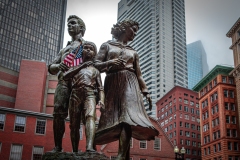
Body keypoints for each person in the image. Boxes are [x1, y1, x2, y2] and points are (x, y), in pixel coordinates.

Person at [94, 19, 159, 160]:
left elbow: (139, 74)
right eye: (133, 30)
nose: (135, 33)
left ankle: (122, 155)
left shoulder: (133, 52)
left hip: (130, 83)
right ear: (124, 28)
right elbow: (95, 64)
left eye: (136, 31)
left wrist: (145, 91)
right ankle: (124, 155)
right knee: (116, 118)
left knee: (128, 117)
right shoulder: (107, 45)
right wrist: (110, 62)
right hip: (112, 82)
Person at [48, 15, 86, 152]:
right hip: (63, 82)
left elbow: (92, 66)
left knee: (76, 116)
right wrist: (59, 67)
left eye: (73, 23)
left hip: (78, 83)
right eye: (68, 24)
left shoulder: (86, 45)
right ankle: (57, 147)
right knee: (58, 113)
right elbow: (50, 67)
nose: (69, 26)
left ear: (81, 28)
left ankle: (76, 150)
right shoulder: (63, 49)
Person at [63, 41, 104, 153]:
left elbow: (100, 88)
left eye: (91, 49)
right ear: (82, 51)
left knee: (90, 117)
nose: (88, 50)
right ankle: (75, 150)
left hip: (90, 94)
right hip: (75, 94)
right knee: (74, 123)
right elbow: (65, 76)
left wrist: (102, 100)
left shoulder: (95, 71)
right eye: (86, 48)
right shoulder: (75, 66)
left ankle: (90, 146)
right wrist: (80, 66)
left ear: (94, 53)